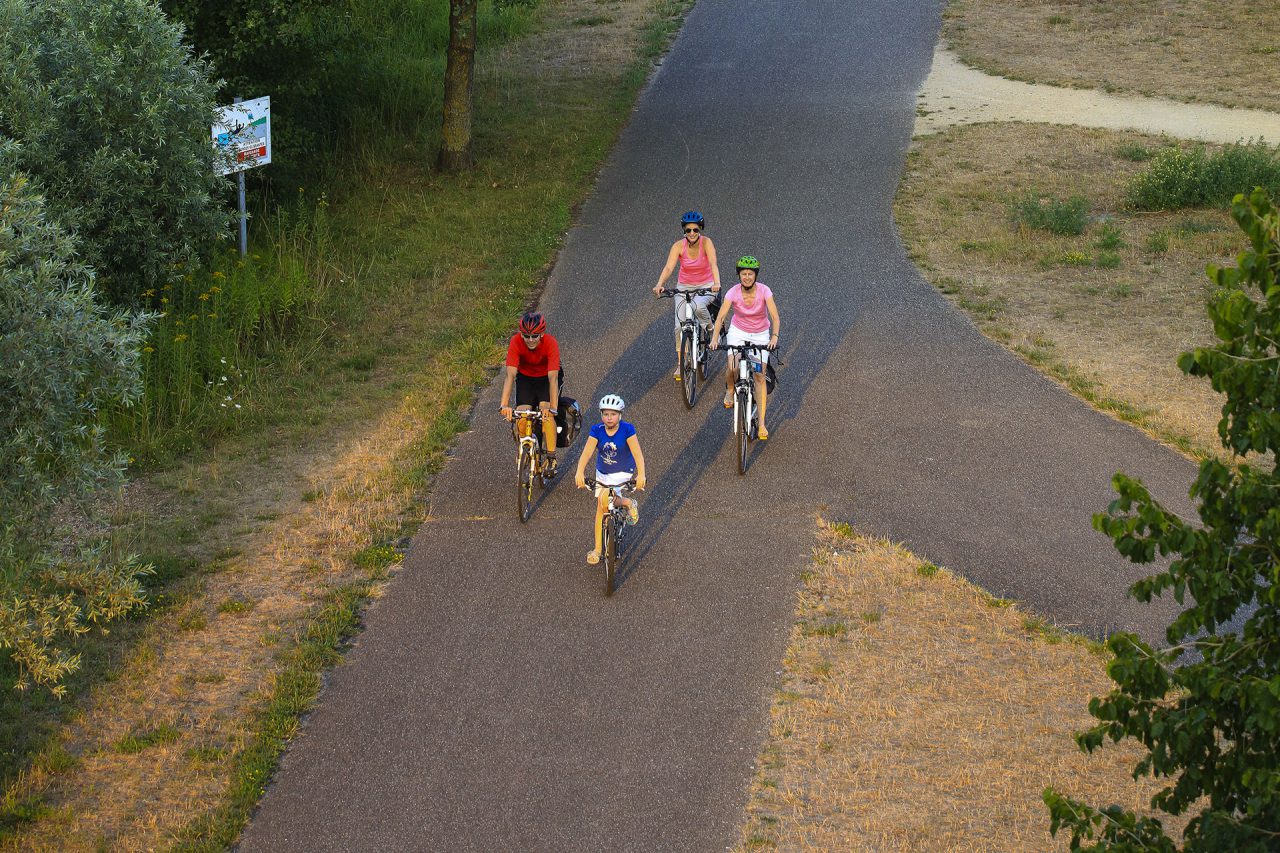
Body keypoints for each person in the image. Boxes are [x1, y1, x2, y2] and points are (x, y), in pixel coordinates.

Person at [710, 255, 781, 440]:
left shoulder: (765, 291)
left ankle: (762, 424)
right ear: (739, 275)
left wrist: (774, 336)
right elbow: (721, 317)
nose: (747, 277)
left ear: (755, 275)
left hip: (760, 334)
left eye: (750, 274)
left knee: (759, 375)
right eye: (743, 274)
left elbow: (775, 317)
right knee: (732, 366)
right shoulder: (733, 292)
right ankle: (731, 389)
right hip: (738, 332)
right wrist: (715, 338)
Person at [574, 394, 647, 565]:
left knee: (604, 499)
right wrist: (579, 471)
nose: (609, 418)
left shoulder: (627, 429)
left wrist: (641, 474)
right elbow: (587, 452)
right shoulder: (597, 430)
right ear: (601, 415)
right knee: (602, 507)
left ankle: (628, 503)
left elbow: (637, 453)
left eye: (613, 414)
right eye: (606, 414)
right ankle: (598, 549)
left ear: (620, 415)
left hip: (622, 472)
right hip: (603, 473)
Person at [652, 211, 722, 380]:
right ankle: (680, 364)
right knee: (679, 327)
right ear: (684, 230)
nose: (692, 233)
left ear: (700, 230)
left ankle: (710, 328)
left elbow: (713, 263)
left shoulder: (707, 243)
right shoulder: (678, 246)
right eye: (688, 230)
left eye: (695, 230)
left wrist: (716, 283)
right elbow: (669, 267)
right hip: (684, 287)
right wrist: (660, 284)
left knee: (698, 306)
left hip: (706, 286)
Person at [499, 311, 562, 475]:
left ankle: (551, 457)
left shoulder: (550, 343)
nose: (531, 340)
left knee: (546, 414)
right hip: (526, 378)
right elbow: (510, 375)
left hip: (546, 379)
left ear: (542, 333)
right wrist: (504, 405)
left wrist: (553, 407)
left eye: (535, 335)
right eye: (526, 336)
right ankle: (524, 446)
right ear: (521, 334)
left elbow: (553, 379)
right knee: (522, 414)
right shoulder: (515, 342)